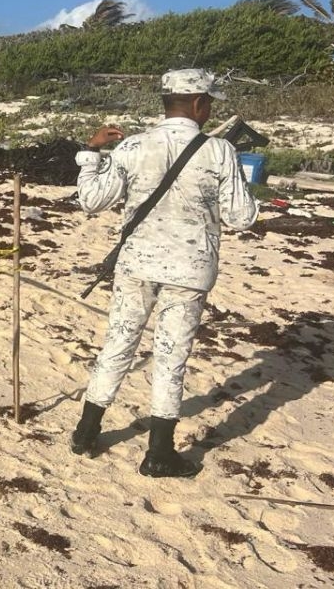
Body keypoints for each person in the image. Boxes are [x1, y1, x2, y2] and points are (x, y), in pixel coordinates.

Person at [69, 69, 258, 478]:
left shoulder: (134, 146)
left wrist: (90, 152)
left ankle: (86, 433)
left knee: (118, 344)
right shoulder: (220, 151)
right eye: (209, 102)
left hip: (136, 265)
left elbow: (91, 200)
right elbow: (241, 217)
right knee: (171, 358)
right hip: (190, 271)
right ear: (198, 104)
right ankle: (159, 453)